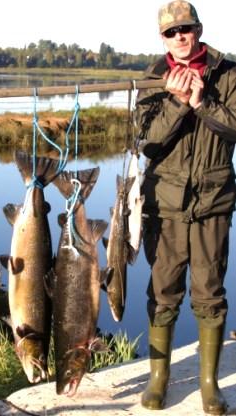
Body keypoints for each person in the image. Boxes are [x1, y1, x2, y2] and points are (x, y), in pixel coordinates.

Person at [136, 1, 236, 415]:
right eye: (171, 32)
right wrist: (177, 103)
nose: (180, 36)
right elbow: (147, 142)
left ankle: (209, 383)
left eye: (186, 28)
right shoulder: (152, 78)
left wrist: (200, 102)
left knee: (209, 293)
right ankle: (158, 378)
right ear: (162, 38)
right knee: (163, 292)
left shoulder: (228, 72)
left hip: (213, 201)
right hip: (165, 205)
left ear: (198, 29)